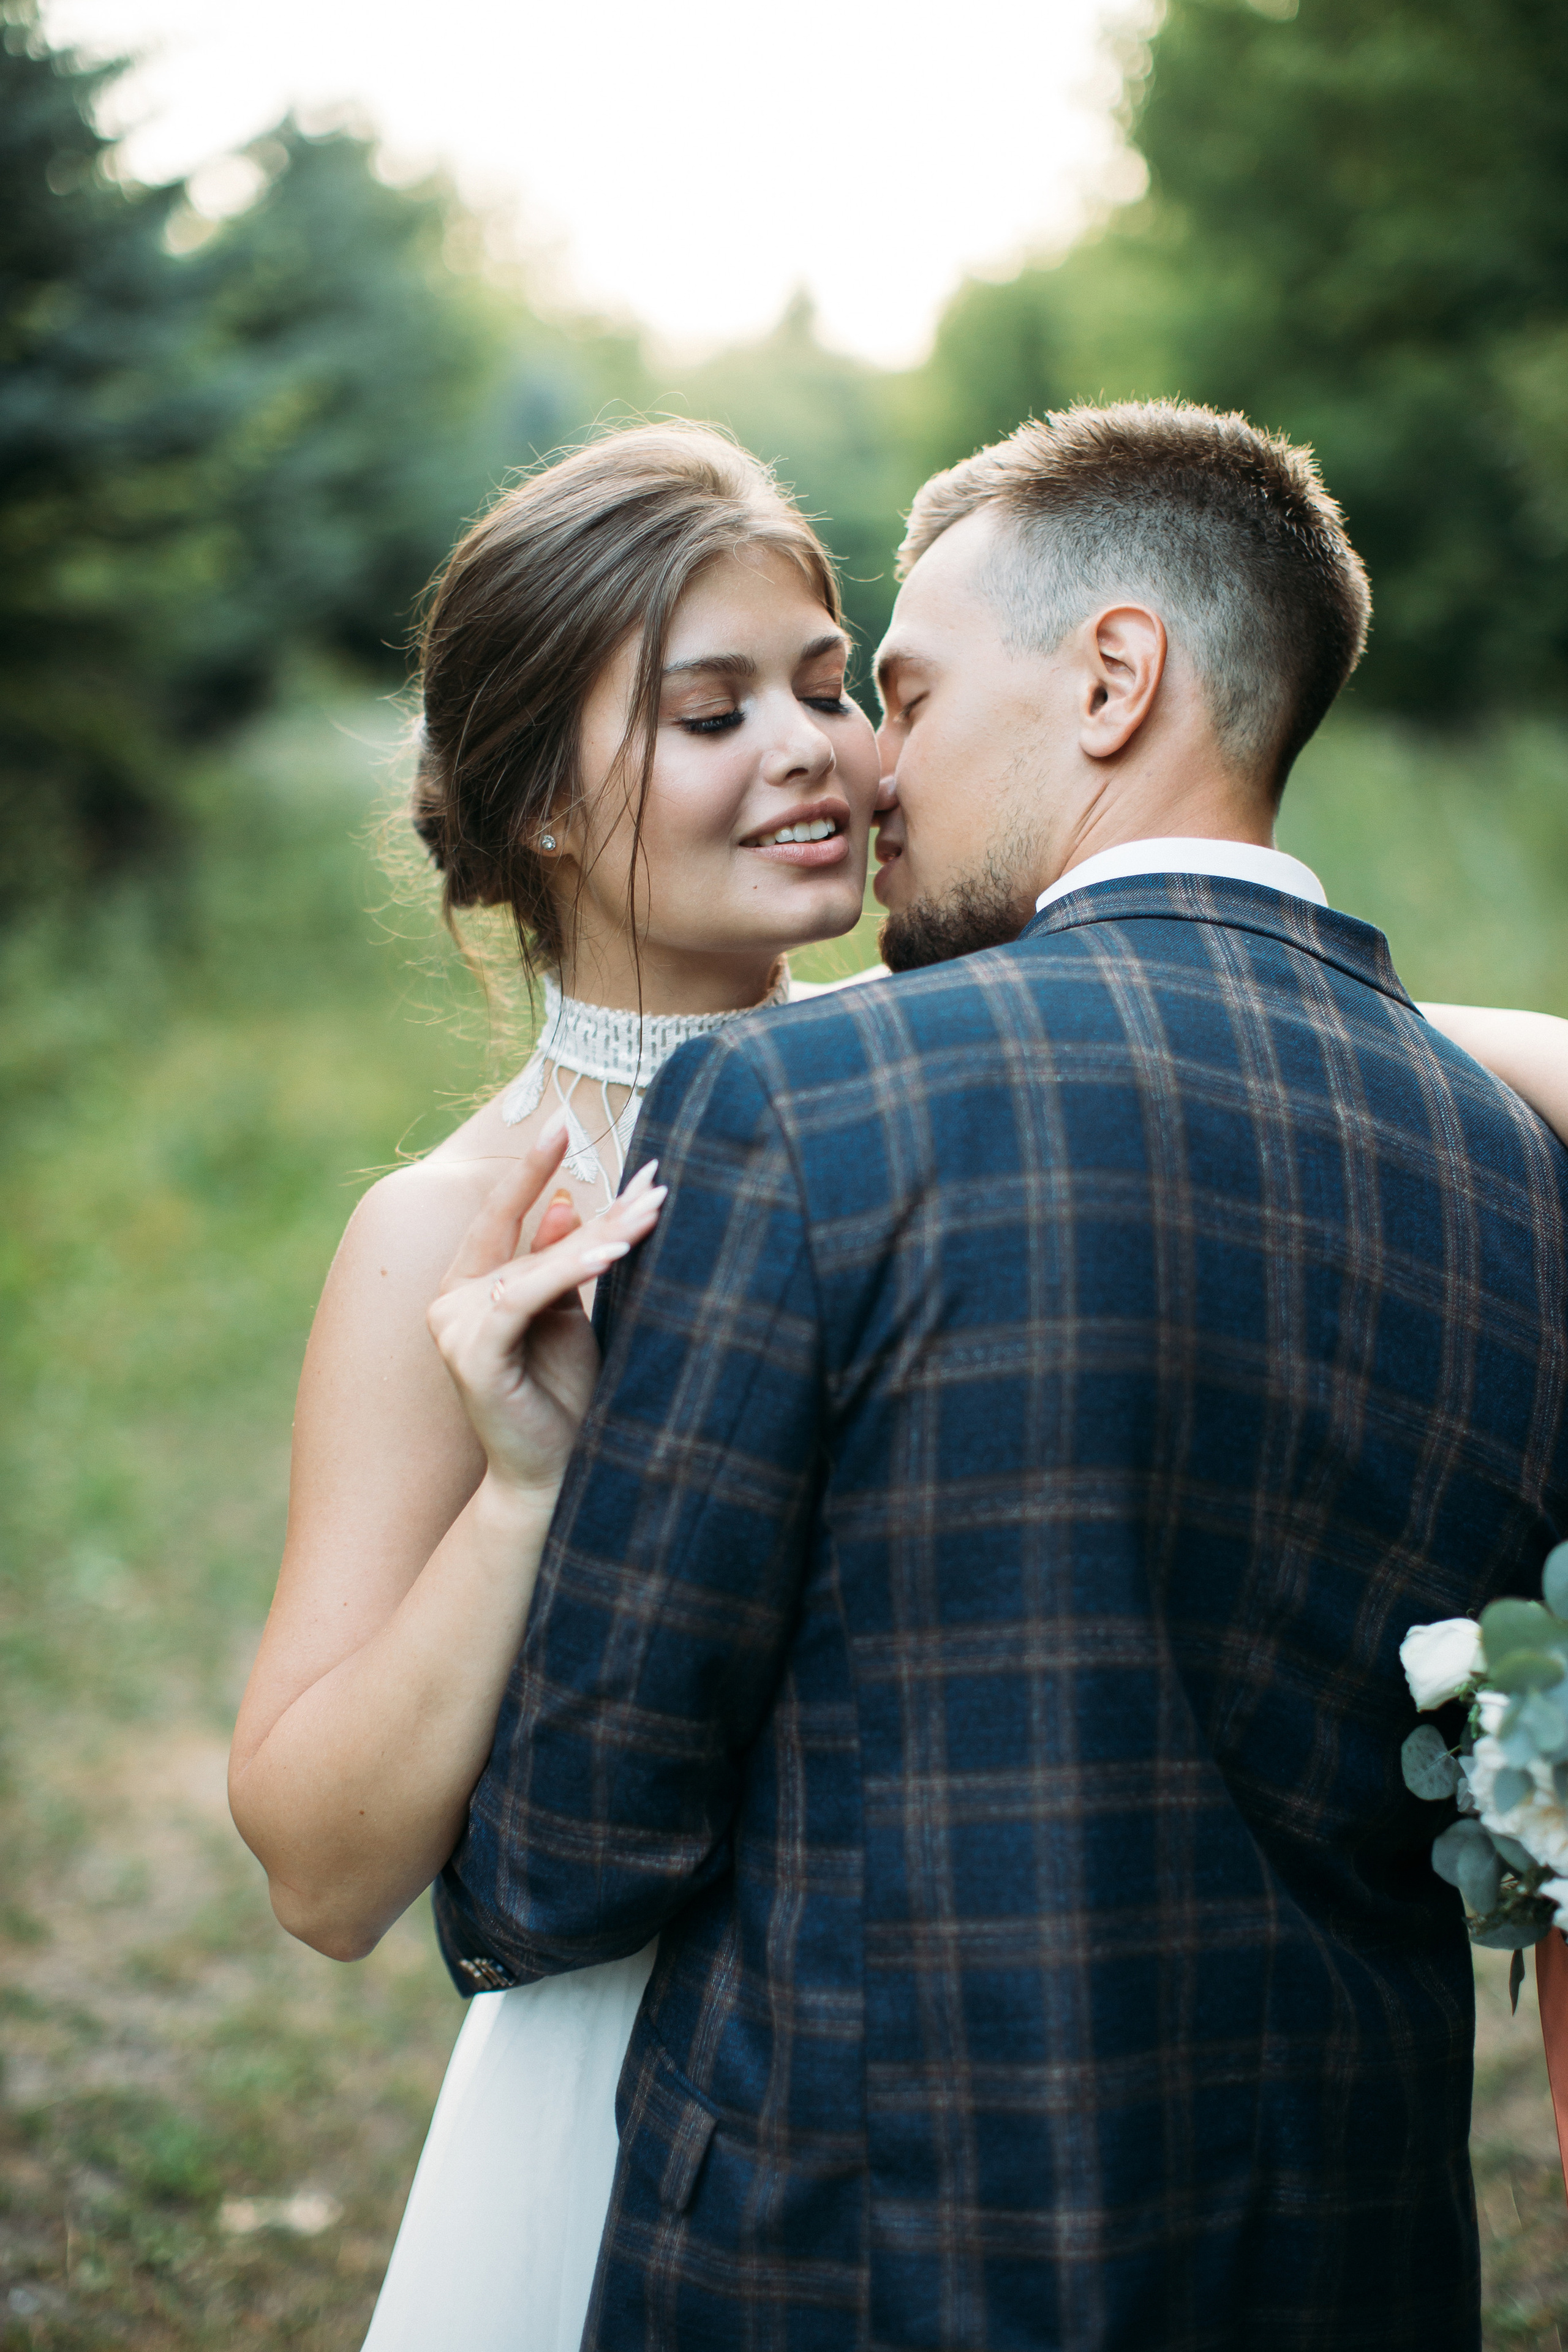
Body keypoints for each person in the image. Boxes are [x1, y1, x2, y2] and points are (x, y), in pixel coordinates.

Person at [431, 402, 1568, 2351]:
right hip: (1349, 2260)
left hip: (865, 2262)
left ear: (1113, 679)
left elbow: (568, 1843)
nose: (875, 773)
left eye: (906, 691)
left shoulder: (798, 1106)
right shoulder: (1514, 1161)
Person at [226, 424, 884, 2348]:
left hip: (994, 2064)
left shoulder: (969, 1054)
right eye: (713, 712)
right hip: (624, 2108)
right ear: (535, 801)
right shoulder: (440, 1234)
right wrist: (523, 1488)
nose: (813, 753)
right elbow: (323, 1874)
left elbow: (1319, 1025)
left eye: (830, 687)